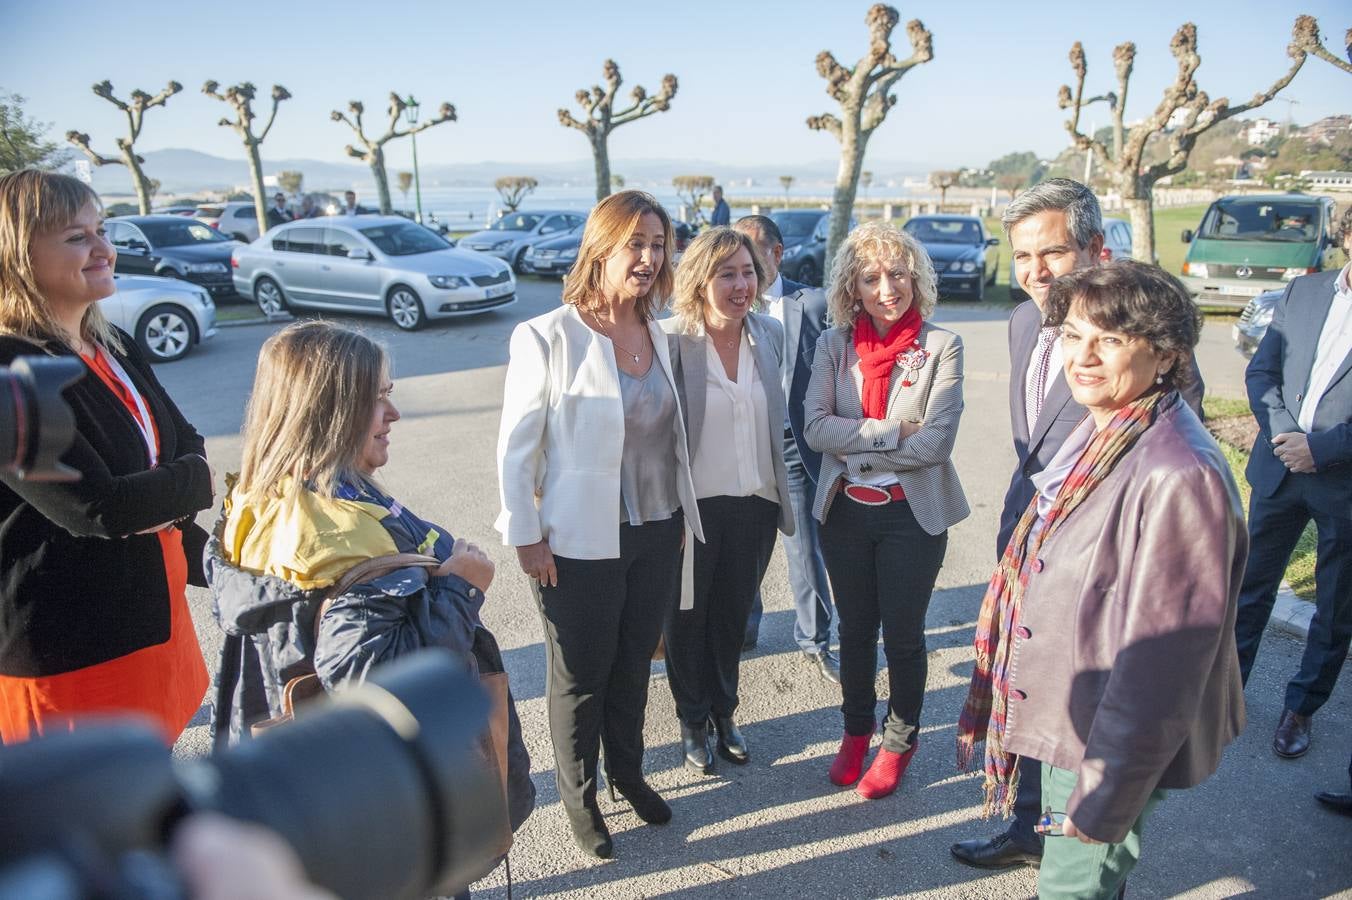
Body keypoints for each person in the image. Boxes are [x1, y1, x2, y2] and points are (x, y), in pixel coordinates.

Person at [957, 259, 1246, 899]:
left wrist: (1105, 793)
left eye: (1110, 340)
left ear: (1166, 353)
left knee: (1072, 890)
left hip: (1096, 744)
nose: (1083, 356)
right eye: (1072, 335)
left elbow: (1164, 661)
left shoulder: (1177, 473)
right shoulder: (1113, 431)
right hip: (1072, 721)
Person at [206, 322, 534, 842]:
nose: (393, 413)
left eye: (389, 394)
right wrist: (463, 588)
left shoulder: (257, 500)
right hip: (387, 796)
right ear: (325, 410)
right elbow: (382, 688)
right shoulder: (338, 536)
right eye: (375, 397)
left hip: (304, 777)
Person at [496, 190, 703, 859]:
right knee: (580, 676)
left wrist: (676, 515)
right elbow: (516, 448)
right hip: (575, 542)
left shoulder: (663, 334)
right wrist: (525, 534)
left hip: (654, 531)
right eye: (633, 244)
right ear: (602, 248)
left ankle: (629, 775)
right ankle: (580, 798)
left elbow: (669, 442)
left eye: (657, 244)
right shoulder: (547, 335)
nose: (647, 258)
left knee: (634, 667)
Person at [0, 169, 214, 745]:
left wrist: (168, 486)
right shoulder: (12, 370)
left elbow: (186, 439)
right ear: (18, 256)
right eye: (76, 237)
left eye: (101, 230)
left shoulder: (113, 343)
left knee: (151, 797)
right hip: (73, 646)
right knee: (95, 815)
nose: (104, 249)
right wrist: (189, 482)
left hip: (155, 616)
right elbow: (95, 508)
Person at [804, 222, 968, 799]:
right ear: (853, 286)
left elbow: (936, 444)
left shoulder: (942, 346)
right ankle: (855, 733)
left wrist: (858, 444)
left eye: (897, 274)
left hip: (910, 518)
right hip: (844, 514)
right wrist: (891, 430)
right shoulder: (832, 345)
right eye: (871, 278)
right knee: (853, 632)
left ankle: (899, 741)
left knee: (902, 636)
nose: (886, 288)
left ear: (915, 277)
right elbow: (815, 427)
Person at [660, 227, 794, 773]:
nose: (742, 285)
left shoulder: (769, 335)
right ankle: (692, 720)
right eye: (727, 274)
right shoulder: (672, 340)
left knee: (733, 619)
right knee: (686, 620)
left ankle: (725, 713)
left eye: (748, 273)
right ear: (699, 279)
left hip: (756, 504)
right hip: (694, 510)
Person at [1233, 205, 1352, 761]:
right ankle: (1225, 696)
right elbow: (1262, 372)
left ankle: (1301, 708)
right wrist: (1284, 433)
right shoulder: (1303, 293)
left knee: (1336, 606)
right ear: (1346, 236)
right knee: (1248, 588)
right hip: (1279, 468)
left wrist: (1323, 449)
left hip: (1343, 483)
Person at [734, 215, 839, 683]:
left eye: (753, 257)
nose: (744, 270)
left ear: (777, 254)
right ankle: (742, 629)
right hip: (741, 446)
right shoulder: (727, 303)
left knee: (803, 548)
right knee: (741, 550)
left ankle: (815, 641)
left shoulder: (812, 304)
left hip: (794, 448)